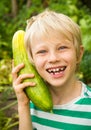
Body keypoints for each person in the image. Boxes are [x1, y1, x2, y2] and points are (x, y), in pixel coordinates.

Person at [12, 10, 91, 130]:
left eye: (62, 48)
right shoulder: (30, 104)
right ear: (31, 60)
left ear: (79, 54)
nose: (53, 58)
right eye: (42, 51)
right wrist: (23, 105)